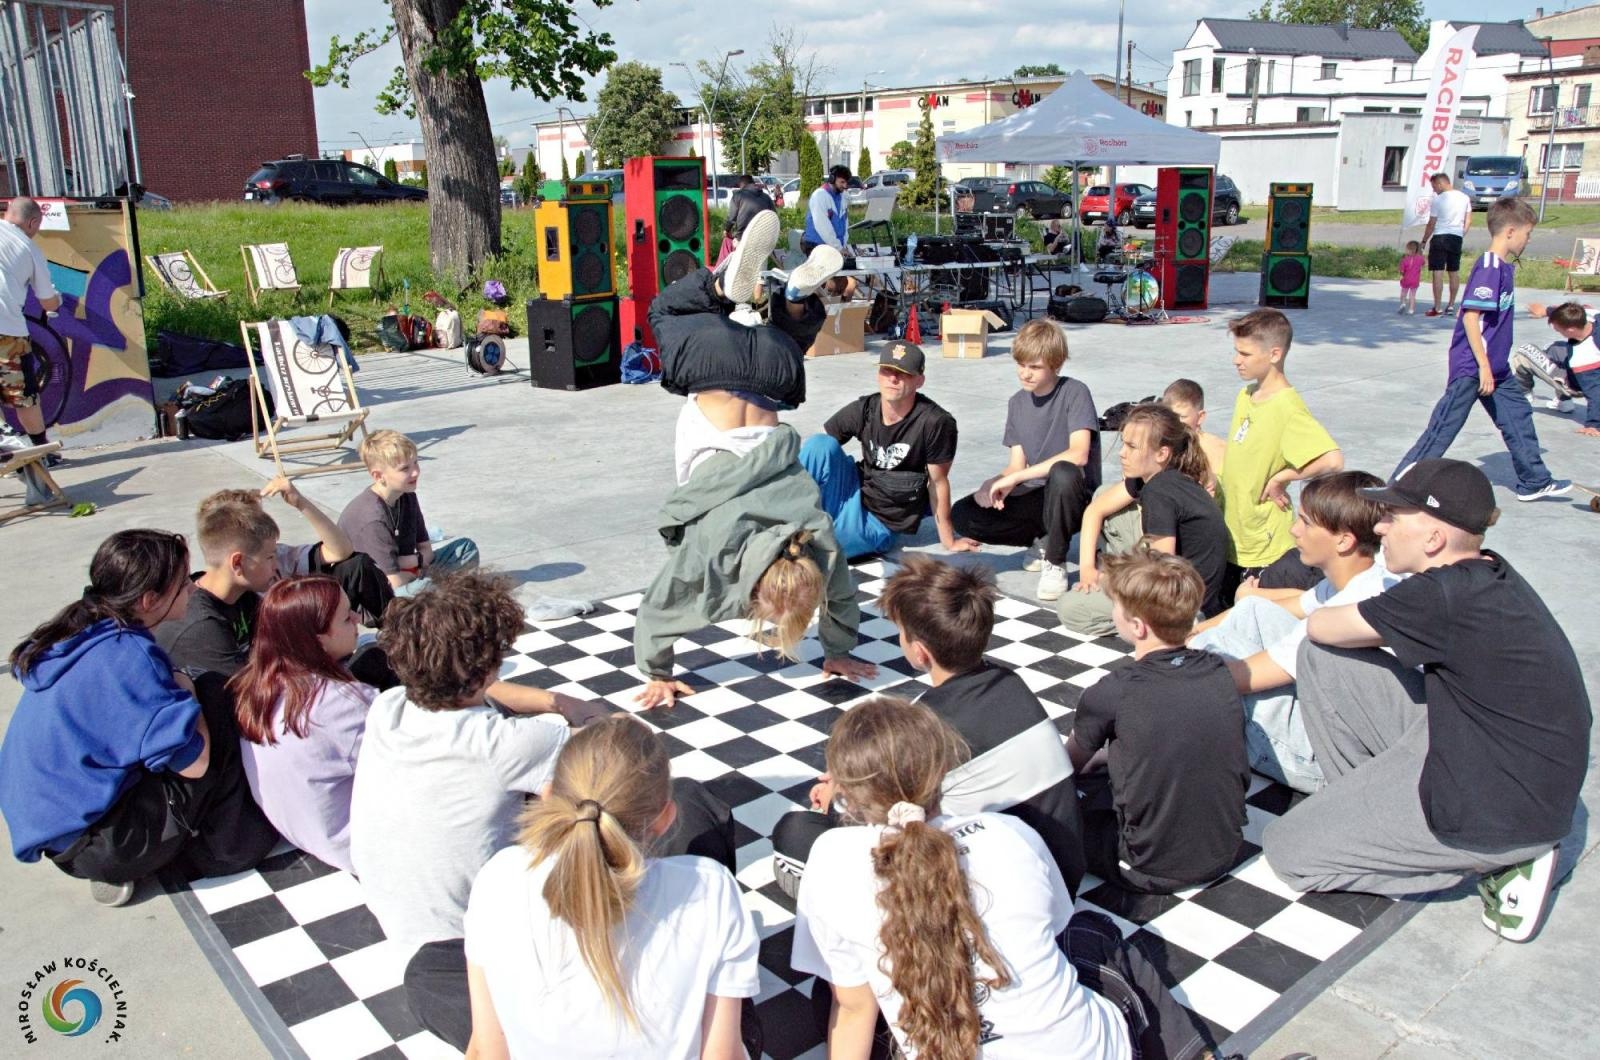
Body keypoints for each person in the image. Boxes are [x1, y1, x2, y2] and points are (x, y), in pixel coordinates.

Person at [1264, 460, 1590, 943]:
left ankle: (1499, 862)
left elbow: (1321, 623)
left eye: (1394, 516)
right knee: (1324, 660)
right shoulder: (1483, 572)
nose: (1379, 526)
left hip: (1496, 806)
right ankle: (1365, 810)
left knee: (1287, 850)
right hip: (1504, 756)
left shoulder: (1438, 596)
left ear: (1434, 539)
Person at [792, 696, 1208, 1060]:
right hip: (1098, 1049)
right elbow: (1060, 930)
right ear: (942, 769)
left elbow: (854, 1011)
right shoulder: (1009, 833)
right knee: (1094, 931)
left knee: (837, 990)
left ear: (847, 792)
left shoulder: (829, 860)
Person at [771, 557, 1087, 898]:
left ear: (920, 653)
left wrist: (841, 794)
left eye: (901, 634)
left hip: (1004, 894)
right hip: (1063, 867)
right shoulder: (1009, 683)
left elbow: (881, 814)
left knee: (797, 834)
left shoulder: (927, 728)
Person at [348, 572, 572, 1049]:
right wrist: (571, 709)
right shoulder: (515, 743)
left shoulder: (386, 709)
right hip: (464, 934)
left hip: (395, 912)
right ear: (489, 666)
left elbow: (483, 698)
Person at [0, 530, 278, 907]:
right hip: (104, 843)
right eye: (183, 584)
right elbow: (195, 763)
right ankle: (228, 849)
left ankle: (124, 861)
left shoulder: (80, 629)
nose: (194, 590)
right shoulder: (131, 656)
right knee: (213, 696)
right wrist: (187, 687)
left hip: (59, 832)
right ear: (149, 600)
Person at [463, 715, 760, 1058]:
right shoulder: (711, 889)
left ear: (548, 796)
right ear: (666, 819)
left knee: (428, 969)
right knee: (695, 798)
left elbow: (488, 1048)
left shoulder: (499, 877)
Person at [1188, 471, 1398, 793]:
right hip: (1335, 716)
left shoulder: (1350, 608)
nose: (1293, 530)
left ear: (1344, 540)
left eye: (1306, 523)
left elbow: (1245, 677)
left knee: (1210, 666)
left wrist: (1172, 664)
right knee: (1249, 614)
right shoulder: (1359, 576)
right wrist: (1190, 633)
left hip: (1328, 758)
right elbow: (1277, 607)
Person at [1067, 548, 1247, 894]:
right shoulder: (1219, 671)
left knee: (1053, 809)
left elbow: (1066, 766)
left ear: (1137, 626)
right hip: (1226, 850)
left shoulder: (1112, 691)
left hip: (1147, 867)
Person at [1394, 197, 1571, 502]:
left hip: (1496, 368)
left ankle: (1534, 480)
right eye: (1528, 234)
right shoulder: (1489, 266)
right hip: (1474, 366)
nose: (1528, 240)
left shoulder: (1504, 268)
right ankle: (1399, 486)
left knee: (1518, 416)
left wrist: (1493, 366)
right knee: (1443, 429)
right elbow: (1472, 318)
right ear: (1511, 231)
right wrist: (1483, 367)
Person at [229, 575, 375, 874]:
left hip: (301, 830)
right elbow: (417, 759)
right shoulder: (341, 703)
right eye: (347, 618)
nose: (357, 619)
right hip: (358, 844)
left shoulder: (255, 686)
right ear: (318, 640)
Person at [951, 319, 1101, 602]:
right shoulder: (1016, 403)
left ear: (1055, 364)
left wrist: (1016, 478)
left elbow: (1079, 454)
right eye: (1021, 365)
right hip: (1036, 494)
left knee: (1063, 473)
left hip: (1075, 494)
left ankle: (1055, 561)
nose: (1025, 374)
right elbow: (1016, 465)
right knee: (963, 512)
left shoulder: (1075, 392)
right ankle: (1041, 540)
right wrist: (993, 483)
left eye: (1035, 367)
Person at [157, 476, 360, 678]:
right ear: (237, 563)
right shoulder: (202, 627)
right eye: (270, 557)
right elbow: (249, 695)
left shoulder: (245, 597)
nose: (275, 565)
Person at [1058, 403, 1227, 637]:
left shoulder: (1159, 492)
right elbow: (1094, 510)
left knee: (1071, 608)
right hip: (1181, 580)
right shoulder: (1159, 475)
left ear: (1162, 453)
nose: (1121, 452)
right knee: (1103, 495)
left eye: (1131, 446)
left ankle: (1158, 632)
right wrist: (1087, 569)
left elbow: (1161, 572)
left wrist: (1114, 582)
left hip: (1182, 602)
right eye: (1123, 443)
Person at [799, 340, 977, 559]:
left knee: (826, 548)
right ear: (878, 374)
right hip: (855, 491)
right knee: (820, 444)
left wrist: (949, 541)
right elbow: (815, 456)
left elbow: (937, 483)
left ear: (920, 381)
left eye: (903, 374)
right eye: (887, 371)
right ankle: (788, 519)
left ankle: (810, 533)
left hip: (880, 518)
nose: (893, 379)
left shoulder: (936, 422)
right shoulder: (866, 408)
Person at [1218, 308, 1343, 599]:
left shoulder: (1288, 408)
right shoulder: (1246, 395)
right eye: (1236, 352)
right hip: (1234, 529)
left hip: (1263, 542)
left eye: (1245, 354)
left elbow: (1333, 460)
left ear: (1274, 354)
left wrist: (1283, 477)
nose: (1237, 360)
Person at [337, 430, 481, 599]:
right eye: (405, 468)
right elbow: (393, 580)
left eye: (415, 463)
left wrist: (414, 562)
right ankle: (441, 595)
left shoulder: (407, 496)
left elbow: (426, 549)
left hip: (410, 570)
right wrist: (417, 572)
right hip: (376, 590)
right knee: (425, 587)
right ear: (378, 476)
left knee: (466, 549)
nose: (415, 472)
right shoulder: (372, 518)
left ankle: (440, 594)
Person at [0, 197, 63, 461]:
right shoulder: (29, 248)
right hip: (7, 330)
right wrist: (57, 301)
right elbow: (47, 299)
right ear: (32, 222)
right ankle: (42, 450)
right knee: (24, 393)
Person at [1511, 301, 1600, 434]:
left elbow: (1595, 392)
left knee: (1524, 352)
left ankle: (1524, 396)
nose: (1555, 329)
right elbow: (1576, 310)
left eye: (1558, 329)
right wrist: (1545, 311)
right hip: (1591, 370)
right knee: (1553, 348)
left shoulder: (1584, 356)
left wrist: (1594, 424)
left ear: (1570, 329)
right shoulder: (1591, 316)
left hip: (1577, 385)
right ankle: (1563, 402)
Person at [1160, 378, 1226, 490]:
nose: (1175, 422)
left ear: (1200, 417)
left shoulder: (1216, 448)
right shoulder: (1159, 443)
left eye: (1182, 417)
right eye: (1169, 416)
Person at [1421, 172, 1471, 317]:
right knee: (1453, 271)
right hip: (1456, 237)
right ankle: (1451, 305)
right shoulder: (1464, 198)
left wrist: (1424, 240)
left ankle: (1437, 307)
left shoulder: (1438, 200)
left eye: (1434, 186)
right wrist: (1461, 233)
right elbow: (1468, 220)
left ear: (1440, 184)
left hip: (1440, 237)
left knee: (1438, 272)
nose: (1434, 190)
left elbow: (1432, 223)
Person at [716, 174, 776, 267]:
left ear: (741, 185)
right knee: (760, 272)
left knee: (730, 247)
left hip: (744, 239)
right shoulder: (766, 197)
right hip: (763, 241)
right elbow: (773, 217)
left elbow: (732, 218)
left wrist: (726, 230)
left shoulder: (738, 196)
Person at [802, 165, 852, 264]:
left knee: (841, 278)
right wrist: (838, 247)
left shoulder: (842, 197)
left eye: (846, 182)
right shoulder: (819, 196)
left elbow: (845, 224)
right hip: (817, 246)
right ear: (832, 179)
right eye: (842, 182)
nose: (845, 186)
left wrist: (843, 246)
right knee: (825, 279)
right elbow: (823, 226)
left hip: (833, 247)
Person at [1398, 239, 1425, 315]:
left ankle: (1403, 303)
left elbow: (1402, 271)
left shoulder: (1404, 259)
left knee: (1404, 292)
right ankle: (1411, 309)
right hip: (1415, 280)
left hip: (1406, 279)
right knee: (1412, 295)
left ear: (1408, 249)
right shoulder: (1420, 258)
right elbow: (1423, 263)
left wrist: (1401, 276)